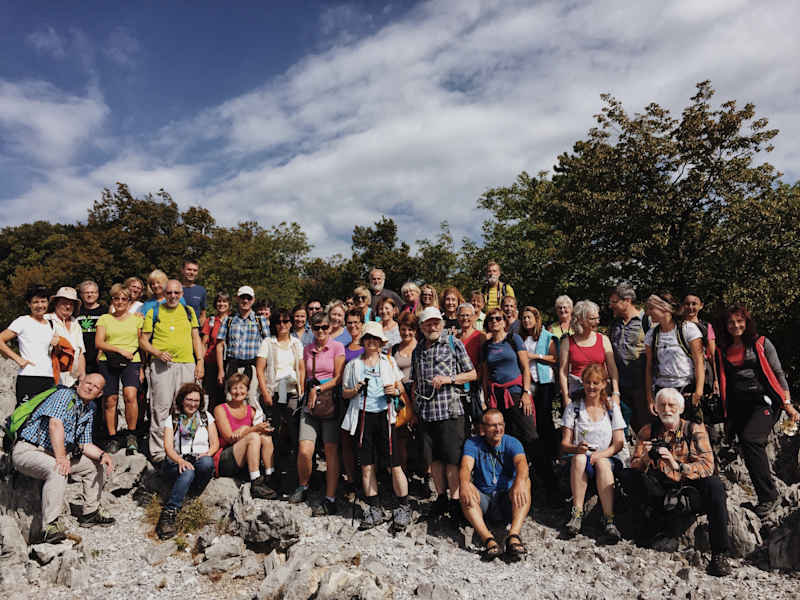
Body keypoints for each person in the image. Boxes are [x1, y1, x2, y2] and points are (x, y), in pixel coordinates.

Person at [623, 388, 731, 576]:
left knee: (715, 486)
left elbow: (707, 466)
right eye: (662, 405)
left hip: (689, 487)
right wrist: (647, 459)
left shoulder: (694, 429)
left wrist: (676, 464)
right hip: (660, 488)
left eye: (672, 405)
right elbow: (634, 465)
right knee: (627, 476)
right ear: (655, 409)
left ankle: (719, 554)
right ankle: (649, 524)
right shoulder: (648, 431)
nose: (667, 409)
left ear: (680, 408)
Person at [714, 304, 798, 517]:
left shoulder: (761, 343)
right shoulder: (723, 350)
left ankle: (769, 496)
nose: (736, 325)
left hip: (765, 401)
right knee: (744, 443)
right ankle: (764, 495)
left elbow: (778, 373)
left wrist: (787, 403)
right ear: (725, 325)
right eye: (731, 322)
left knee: (751, 439)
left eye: (739, 321)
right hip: (739, 406)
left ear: (747, 322)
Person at [12, 374, 114, 543]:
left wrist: (103, 455)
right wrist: (61, 457)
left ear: (100, 393)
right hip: (28, 450)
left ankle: (90, 512)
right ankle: (49, 526)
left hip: (52, 454)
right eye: (88, 383)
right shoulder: (64, 395)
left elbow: (85, 444)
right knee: (58, 469)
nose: (89, 387)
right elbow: (55, 424)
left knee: (94, 465)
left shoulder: (89, 409)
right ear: (80, 383)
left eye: (95, 387)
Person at [341, 322, 411, 530]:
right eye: (368, 338)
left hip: (384, 416)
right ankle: (374, 508)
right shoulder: (353, 365)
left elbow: (400, 387)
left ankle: (403, 506)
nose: (371, 341)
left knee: (394, 464)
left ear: (381, 342)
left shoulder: (388, 362)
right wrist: (355, 389)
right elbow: (345, 393)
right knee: (366, 465)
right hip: (362, 416)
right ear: (362, 341)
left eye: (375, 338)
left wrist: (395, 393)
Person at [411, 307, 477, 518]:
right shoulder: (417, 350)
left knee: (452, 459)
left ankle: (456, 502)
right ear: (421, 327)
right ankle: (441, 498)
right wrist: (415, 410)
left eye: (436, 323)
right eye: (429, 324)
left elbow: (472, 374)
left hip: (449, 410)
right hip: (426, 412)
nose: (433, 327)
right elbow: (415, 382)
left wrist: (449, 380)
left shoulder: (453, 343)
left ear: (442, 324)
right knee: (434, 460)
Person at [139, 280, 204, 462]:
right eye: (169, 293)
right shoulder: (155, 311)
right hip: (162, 366)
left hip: (187, 364)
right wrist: (157, 352)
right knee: (161, 407)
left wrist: (200, 362)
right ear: (164, 294)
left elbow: (195, 338)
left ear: (182, 294)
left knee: (186, 406)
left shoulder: (189, 311)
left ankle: (181, 448)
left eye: (176, 293)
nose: (173, 296)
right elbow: (143, 341)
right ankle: (159, 454)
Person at [561, 364, 625, 541]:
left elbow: (619, 443)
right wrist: (576, 448)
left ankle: (609, 519)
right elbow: (565, 444)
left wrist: (600, 455)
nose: (591, 387)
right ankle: (577, 513)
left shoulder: (611, 408)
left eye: (595, 383)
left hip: (605, 458)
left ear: (604, 384)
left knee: (603, 463)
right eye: (587, 382)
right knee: (580, 458)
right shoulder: (574, 408)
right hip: (580, 459)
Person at [290, 312, 345, 512]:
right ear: (311, 329)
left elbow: (338, 377)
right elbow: (304, 373)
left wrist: (318, 389)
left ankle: (330, 497)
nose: (320, 331)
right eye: (316, 328)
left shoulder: (337, 347)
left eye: (324, 327)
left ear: (330, 327)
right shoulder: (308, 349)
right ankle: (303, 484)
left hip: (329, 401)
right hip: (311, 403)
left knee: (331, 451)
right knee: (305, 449)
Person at [459, 409, 530, 559]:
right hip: (484, 500)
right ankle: (488, 539)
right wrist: (464, 484)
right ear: (483, 428)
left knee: (525, 482)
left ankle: (514, 536)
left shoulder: (512, 442)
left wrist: (519, 482)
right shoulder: (473, 443)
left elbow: (522, 463)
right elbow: (465, 466)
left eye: (500, 424)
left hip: (507, 499)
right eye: (492, 425)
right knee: (466, 486)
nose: (498, 429)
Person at [156, 382, 219, 540]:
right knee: (187, 470)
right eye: (189, 399)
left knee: (207, 464)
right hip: (176, 459)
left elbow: (215, 443)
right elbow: (168, 447)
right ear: (182, 400)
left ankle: (192, 493)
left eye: (196, 401)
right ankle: (169, 513)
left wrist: (207, 453)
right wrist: (179, 460)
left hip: (198, 456)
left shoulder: (206, 417)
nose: (192, 404)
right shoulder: (173, 419)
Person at [255, 308, 305, 495]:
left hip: (291, 390)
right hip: (276, 390)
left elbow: (300, 368)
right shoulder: (268, 342)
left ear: (291, 323)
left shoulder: (296, 343)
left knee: (292, 433)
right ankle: (272, 475)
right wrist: (266, 393)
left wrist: (301, 389)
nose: (282, 325)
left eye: (286, 321)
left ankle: (292, 477)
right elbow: (260, 369)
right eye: (279, 322)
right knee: (275, 433)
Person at [480, 308, 536, 461]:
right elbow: (485, 375)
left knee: (528, 433)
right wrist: (486, 399)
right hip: (497, 397)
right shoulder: (486, 346)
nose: (495, 322)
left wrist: (526, 392)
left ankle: (540, 477)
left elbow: (525, 368)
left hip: (517, 393)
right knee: (505, 436)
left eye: (498, 318)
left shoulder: (514, 339)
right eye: (491, 319)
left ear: (504, 321)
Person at [95, 283, 143, 454]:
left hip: (132, 360)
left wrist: (142, 367)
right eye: (116, 298)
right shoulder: (105, 319)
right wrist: (118, 350)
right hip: (108, 360)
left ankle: (131, 434)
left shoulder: (137, 319)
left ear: (130, 302)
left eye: (124, 299)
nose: (120, 302)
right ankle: (112, 437)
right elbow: (99, 342)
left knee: (130, 395)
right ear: (112, 300)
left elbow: (142, 343)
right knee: (110, 399)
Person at [212, 373, 276, 498]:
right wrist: (251, 429)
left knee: (265, 438)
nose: (238, 391)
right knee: (253, 437)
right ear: (229, 390)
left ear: (247, 390)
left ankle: (270, 476)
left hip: (244, 456)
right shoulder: (220, 409)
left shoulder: (251, 410)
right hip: (225, 457)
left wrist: (255, 429)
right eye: (234, 388)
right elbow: (229, 438)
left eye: (242, 388)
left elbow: (259, 430)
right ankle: (256, 482)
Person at [644, 293, 704, 420]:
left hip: (686, 389)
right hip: (662, 390)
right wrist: (650, 398)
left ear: (664, 308)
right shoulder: (651, 335)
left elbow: (699, 362)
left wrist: (698, 393)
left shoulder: (688, 329)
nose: (648, 313)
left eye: (651, 308)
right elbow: (649, 367)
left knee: (690, 431)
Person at [519, 305, 559, 494]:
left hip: (543, 381)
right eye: (524, 318)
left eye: (529, 318)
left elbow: (554, 358)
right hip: (528, 383)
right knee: (531, 419)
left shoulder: (545, 336)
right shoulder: (520, 338)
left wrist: (535, 356)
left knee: (544, 418)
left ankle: (550, 453)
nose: (526, 321)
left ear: (536, 319)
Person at [0, 284, 58, 406]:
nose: (40, 305)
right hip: (28, 376)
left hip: (48, 376)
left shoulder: (51, 324)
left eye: (43, 301)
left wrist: (57, 344)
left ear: (48, 303)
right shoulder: (23, 321)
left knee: (44, 417)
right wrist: (18, 359)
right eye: (35, 302)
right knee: (24, 416)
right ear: (29, 304)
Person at [216, 286, 270, 410]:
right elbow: (219, 346)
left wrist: (264, 371)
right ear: (237, 299)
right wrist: (220, 370)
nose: (245, 301)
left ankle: (253, 428)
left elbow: (267, 347)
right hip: (233, 365)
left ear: (253, 300)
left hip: (252, 367)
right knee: (231, 398)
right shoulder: (228, 320)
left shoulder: (260, 320)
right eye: (242, 298)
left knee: (252, 399)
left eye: (248, 298)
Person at [558, 300, 620, 408]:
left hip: (600, 391)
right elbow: (563, 372)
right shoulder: (567, 342)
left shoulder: (604, 339)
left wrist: (616, 392)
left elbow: (612, 368)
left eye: (597, 318)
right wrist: (566, 397)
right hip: (577, 392)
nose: (597, 322)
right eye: (592, 319)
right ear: (580, 320)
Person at [609, 282, 650, 433]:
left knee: (645, 429)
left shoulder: (646, 321)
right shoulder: (614, 324)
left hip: (642, 387)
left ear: (627, 301)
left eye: (614, 302)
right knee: (621, 431)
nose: (610, 306)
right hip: (620, 388)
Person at [391, 311, 418, 475]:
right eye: (403, 329)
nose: (406, 333)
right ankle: (403, 474)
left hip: (418, 393)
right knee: (401, 437)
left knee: (420, 437)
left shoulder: (421, 347)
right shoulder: (394, 348)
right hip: (400, 395)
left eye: (410, 329)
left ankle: (423, 475)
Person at [45, 287, 86, 387]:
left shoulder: (75, 323)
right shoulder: (46, 320)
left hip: (73, 379)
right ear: (56, 303)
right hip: (51, 376)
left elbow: (80, 352)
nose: (68, 306)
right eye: (64, 302)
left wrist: (82, 377)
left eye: (71, 304)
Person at [201, 292, 231, 410]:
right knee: (211, 395)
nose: (221, 304)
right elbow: (204, 343)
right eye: (219, 301)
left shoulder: (233, 320)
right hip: (211, 362)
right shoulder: (211, 320)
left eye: (224, 301)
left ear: (229, 304)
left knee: (226, 394)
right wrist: (201, 364)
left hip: (227, 361)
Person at [683, 292, 718, 390]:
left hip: (704, 373)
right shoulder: (676, 326)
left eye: (694, 304)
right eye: (687, 304)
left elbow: (712, 355)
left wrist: (716, 379)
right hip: (682, 374)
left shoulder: (706, 327)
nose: (690, 307)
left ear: (701, 306)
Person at [76, 280, 106, 375]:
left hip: (99, 355)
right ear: (81, 295)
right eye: (86, 292)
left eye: (92, 292)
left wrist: (101, 351)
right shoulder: (76, 311)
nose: (89, 295)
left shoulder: (105, 311)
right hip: (81, 355)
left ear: (97, 294)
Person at [180, 258, 207, 327]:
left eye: (195, 270)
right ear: (182, 270)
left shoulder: (201, 290)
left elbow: (203, 312)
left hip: (194, 330)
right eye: (189, 269)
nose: (192, 272)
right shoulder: (174, 289)